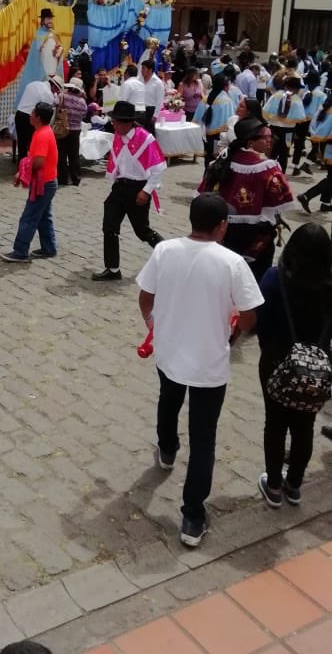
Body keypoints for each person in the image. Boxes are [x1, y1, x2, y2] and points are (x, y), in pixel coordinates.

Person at [137, 193, 263, 547]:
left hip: (169, 352)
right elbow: (250, 315)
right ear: (223, 226)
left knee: (168, 401)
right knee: (204, 435)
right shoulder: (232, 263)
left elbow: (145, 297)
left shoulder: (164, 251)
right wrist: (234, 331)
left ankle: (166, 449)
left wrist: (154, 324)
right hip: (209, 361)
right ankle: (192, 516)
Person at [256, 223, 332, 508]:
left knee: (275, 423)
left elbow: (261, 320)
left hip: (277, 357)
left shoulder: (275, 278)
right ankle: (295, 485)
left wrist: (269, 347)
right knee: (305, 425)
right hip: (319, 365)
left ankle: (274, 485)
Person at [201, 118, 293, 280]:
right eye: (266, 138)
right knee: (254, 277)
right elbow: (281, 199)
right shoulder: (268, 167)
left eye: (270, 137)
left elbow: (205, 188)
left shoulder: (225, 158)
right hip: (257, 232)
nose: (270, 141)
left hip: (225, 229)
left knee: (227, 272)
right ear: (251, 142)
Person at [92, 100, 165, 282]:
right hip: (119, 188)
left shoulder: (145, 138)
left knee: (142, 231)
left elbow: (157, 169)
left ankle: (169, 253)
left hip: (138, 189)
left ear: (127, 123)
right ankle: (113, 268)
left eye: (116, 122)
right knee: (109, 227)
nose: (113, 125)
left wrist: (146, 191)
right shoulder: (118, 136)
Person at [1, 101, 58, 262]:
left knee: (29, 217)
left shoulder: (42, 135)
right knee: (43, 216)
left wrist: (23, 171)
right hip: (48, 181)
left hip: (44, 183)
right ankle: (49, 248)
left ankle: (20, 251)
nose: (30, 115)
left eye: (32, 113)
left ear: (38, 117)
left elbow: (38, 161)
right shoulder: (43, 131)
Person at [263, 76, 306, 173]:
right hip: (288, 131)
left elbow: (266, 110)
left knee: (272, 152)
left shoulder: (276, 95)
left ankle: (268, 173)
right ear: (296, 88)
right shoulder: (296, 99)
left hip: (274, 128)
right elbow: (301, 117)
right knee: (284, 153)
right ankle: (281, 174)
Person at [298, 91, 332, 214]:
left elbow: (316, 126)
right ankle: (307, 196)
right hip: (329, 146)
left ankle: (326, 203)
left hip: (326, 146)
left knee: (330, 176)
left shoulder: (327, 107)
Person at [193, 72, 233, 170]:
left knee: (208, 159)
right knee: (217, 159)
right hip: (220, 138)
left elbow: (196, 119)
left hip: (205, 136)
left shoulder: (205, 98)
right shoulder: (227, 101)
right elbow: (231, 121)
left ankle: (206, 176)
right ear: (225, 86)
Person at [14, 76, 60, 161]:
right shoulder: (48, 94)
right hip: (31, 118)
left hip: (19, 114)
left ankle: (22, 165)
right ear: (54, 86)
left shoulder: (33, 84)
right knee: (31, 145)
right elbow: (47, 112)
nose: (56, 92)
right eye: (57, 90)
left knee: (21, 144)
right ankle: (30, 166)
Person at [56, 77, 87, 186]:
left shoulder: (62, 96)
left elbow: (55, 104)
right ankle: (76, 178)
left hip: (62, 128)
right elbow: (84, 114)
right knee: (74, 155)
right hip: (75, 130)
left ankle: (62, 178)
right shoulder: (82, 101)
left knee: (61, 154)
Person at [140, 59, 164, 130]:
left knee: (148, 131)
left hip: (150, 111)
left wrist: (155, 115)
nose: (141, 70)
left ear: (150, 70)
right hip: (139, 110)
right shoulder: (139, 80)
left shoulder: (158, 83)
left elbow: (159, 101)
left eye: (143, 68)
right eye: (141, 68)